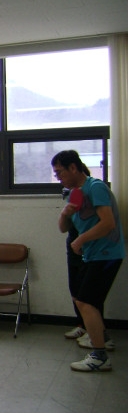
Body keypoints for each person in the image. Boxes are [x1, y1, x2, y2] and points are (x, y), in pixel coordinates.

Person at [52, 150, 124, 372]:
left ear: (73, 167)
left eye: (60, 172)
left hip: (107, 253)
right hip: (91, 255)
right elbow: (63, 228)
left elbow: (108, 223)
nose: (58, 177)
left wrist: (81, 239)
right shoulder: (74, 193)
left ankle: (100, 356)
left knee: (87, 302)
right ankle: (102, 340)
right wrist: (65, 214)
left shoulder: (95, 187)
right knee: (83, 300)